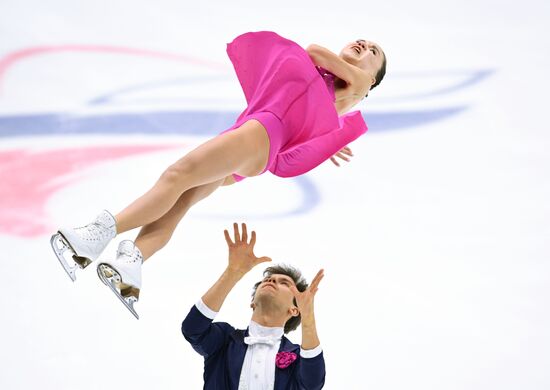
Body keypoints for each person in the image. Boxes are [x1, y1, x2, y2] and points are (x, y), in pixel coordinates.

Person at [50, 31, 386, 317]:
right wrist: (330, 135)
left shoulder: (358, 82)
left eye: (374, 52)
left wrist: (331, 119)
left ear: (373, 79)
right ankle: (130, 268)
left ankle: (94, 238)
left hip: (263, 132)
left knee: (177, 175)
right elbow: (315, 118)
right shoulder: (333, 90)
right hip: (254, 135)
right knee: (182, 197)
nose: (364, 45)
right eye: (363, 41)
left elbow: (313, 51)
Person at [182, 223, 325, 389]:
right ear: (252, 302)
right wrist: (232, 272)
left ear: (294, 309)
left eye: (284, 282)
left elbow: (313, 383)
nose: (272, 280)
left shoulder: (297, 356)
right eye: (267, 280)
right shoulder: (224, 340)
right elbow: (192, 329)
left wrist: (308, 316)